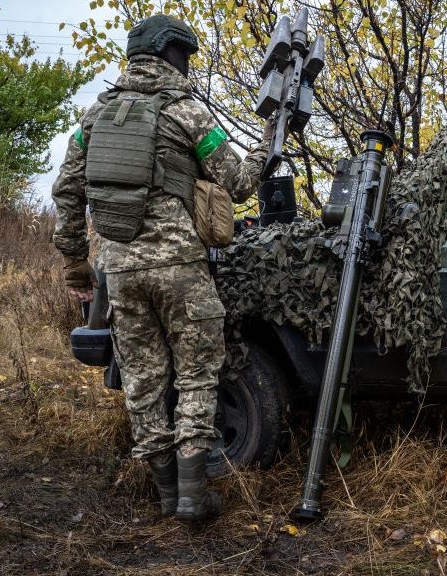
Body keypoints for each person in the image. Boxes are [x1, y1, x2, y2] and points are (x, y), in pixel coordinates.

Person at [51, 14, 268, 523]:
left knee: (144, 382)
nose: (188, 63)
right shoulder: (187, 113)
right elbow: (235, 183)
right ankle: (193, 497)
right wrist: (264, 149)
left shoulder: (94, 117)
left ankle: (167, 495)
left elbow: (66, 192)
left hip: (121, 271)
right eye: (186, 54)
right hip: (180, 269)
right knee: (195, 376)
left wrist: (77, 268)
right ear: (169, 51)